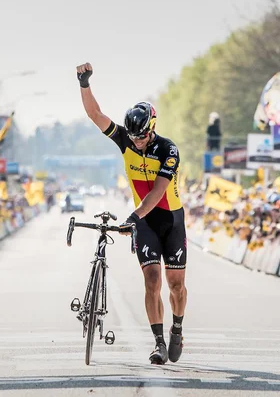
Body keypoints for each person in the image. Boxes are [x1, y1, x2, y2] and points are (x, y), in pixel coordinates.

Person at [76, 62, 188, 365]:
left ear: (152, 130)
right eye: (134, 137)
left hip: (170, 220)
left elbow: (158, 193)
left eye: (141, 137)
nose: (136, 141)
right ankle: (159, 343)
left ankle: (177, 328)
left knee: (175, 285)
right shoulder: (125, 139)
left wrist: (133, 217)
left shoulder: (168, 149)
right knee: (151, 280)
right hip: (146, 222)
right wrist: (84, 84)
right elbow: (95, 116)